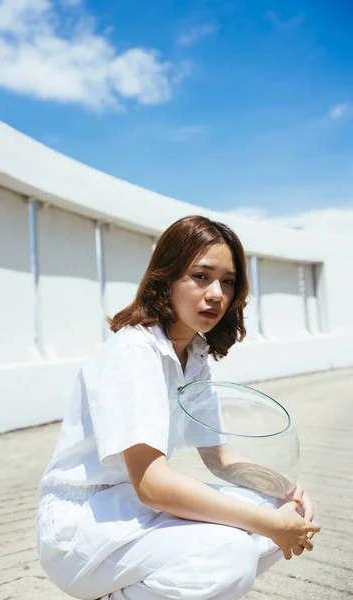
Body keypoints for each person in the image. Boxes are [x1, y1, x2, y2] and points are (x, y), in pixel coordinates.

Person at [36, 215, 320, 600]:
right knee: (233, 553)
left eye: (228, 281)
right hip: (83, 526)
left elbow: (220, 459)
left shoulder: (194, 356)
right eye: (200, 276)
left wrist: (288, 495)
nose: (217, 293)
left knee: (279, 513)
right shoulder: (134, 352)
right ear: (165, 279)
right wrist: (269, 522)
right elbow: (153, 484)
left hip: (131, 508)